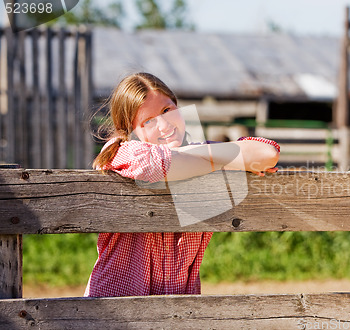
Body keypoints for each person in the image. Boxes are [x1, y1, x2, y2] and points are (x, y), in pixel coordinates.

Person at [84, 72, 280, 297]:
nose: (165, 126)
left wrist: (189, 154)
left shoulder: (199, 152)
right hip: (116, 304)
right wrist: (225, 161)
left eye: (167, 111)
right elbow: (154, 164)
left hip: (180, 305)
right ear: (129, 130)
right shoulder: (121, 151)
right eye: (148, 121)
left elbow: (267, 153)